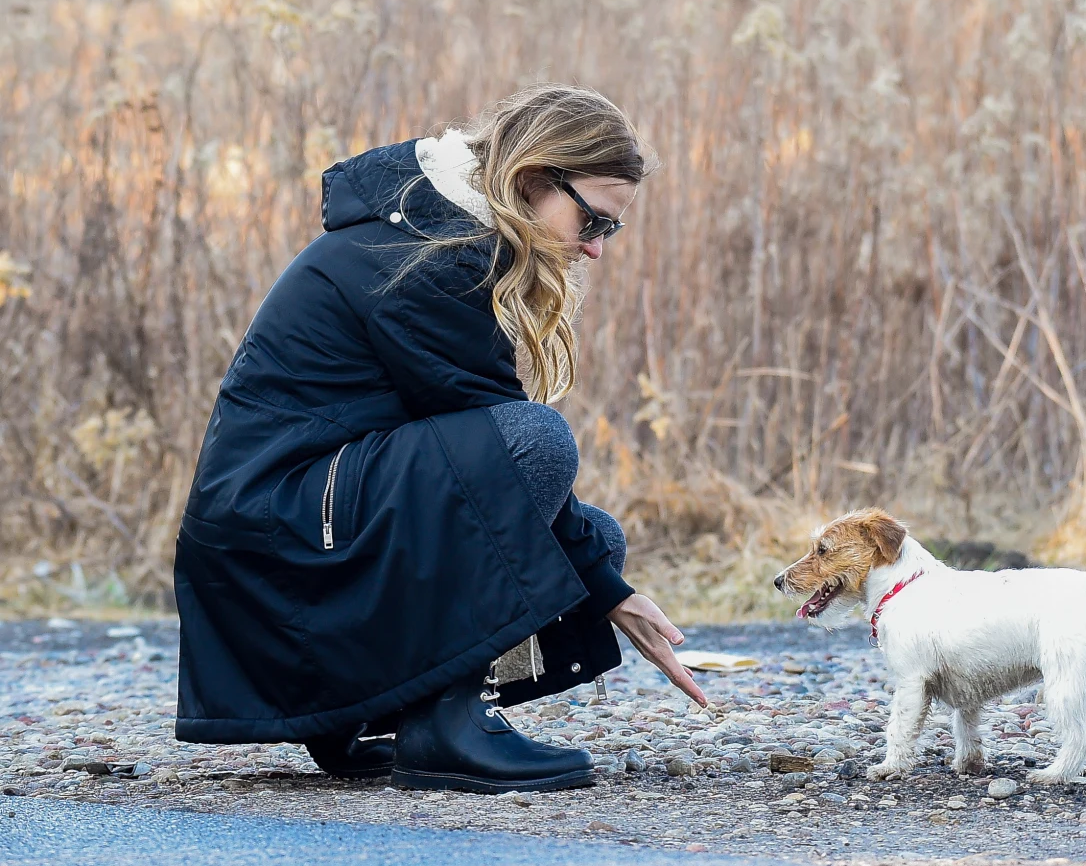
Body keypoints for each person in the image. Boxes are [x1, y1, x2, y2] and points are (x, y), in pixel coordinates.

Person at [173, 84, 707, 794]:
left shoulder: (437, 231)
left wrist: (606, 584)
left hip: (293, 536)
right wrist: (611, 592)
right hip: (276, 550)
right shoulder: (425, 257)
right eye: (594, 220)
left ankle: (366, 712)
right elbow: (498, 458)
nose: (595, 248)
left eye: (612, 229)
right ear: (534, 178)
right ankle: (448, 722)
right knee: (535, 447)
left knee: (589, 541)